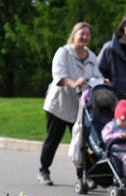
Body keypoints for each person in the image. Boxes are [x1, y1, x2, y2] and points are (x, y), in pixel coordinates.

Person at [38, 22, 104, 186]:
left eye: (88, 34)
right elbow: (58, 76)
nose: (85, 37)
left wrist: (102, 82)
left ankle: (83, 175)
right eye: (81, 33)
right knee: (53, 139)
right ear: (73, 34)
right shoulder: (63, 53)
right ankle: (44, 170)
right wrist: (74, 83)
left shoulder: (91, 56)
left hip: (80, 106)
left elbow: (97, 76)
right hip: (59, 105)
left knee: (81, 142)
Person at [101, 99, 126, 183]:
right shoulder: (111, 126)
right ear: (116, 117)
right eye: (123, 120)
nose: (125, 123)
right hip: (115, 150)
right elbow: (106, 137)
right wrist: (121, 135)